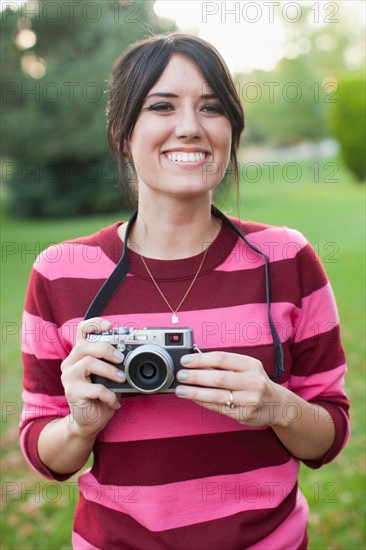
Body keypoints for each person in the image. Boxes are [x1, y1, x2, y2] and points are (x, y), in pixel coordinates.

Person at [20, 33, 349, 550]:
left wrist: (278, 407)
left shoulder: (287, 259)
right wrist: (80, 424)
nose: (190, 127)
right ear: (121, 132)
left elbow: (329, 433)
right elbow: (44, 452)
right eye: (162, 106)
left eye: (212, 107)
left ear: (232, 131)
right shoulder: (61, 272)